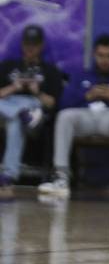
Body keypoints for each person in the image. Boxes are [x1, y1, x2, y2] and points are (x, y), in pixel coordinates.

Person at [38, 34, 109, 199]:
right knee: (65, 116)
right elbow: (63, 103)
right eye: (101, 56)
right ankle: (61, 176)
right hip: (86, 117)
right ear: (94, 55)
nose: (105, 60)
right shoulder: (82, 75)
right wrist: (87, 96)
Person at [0, 25, 63, 199]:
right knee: (18, 117)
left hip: (34, 106)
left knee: (16, 124)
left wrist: (37, 91)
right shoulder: (8, 66)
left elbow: (51, 103)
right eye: (27, 44)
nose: (30, 48)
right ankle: (20, 112)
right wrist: (14, 87)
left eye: (34, 44)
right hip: (8, 106)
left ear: (41, 46)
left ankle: (8, 176)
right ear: (22, 44)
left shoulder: (50, 70)